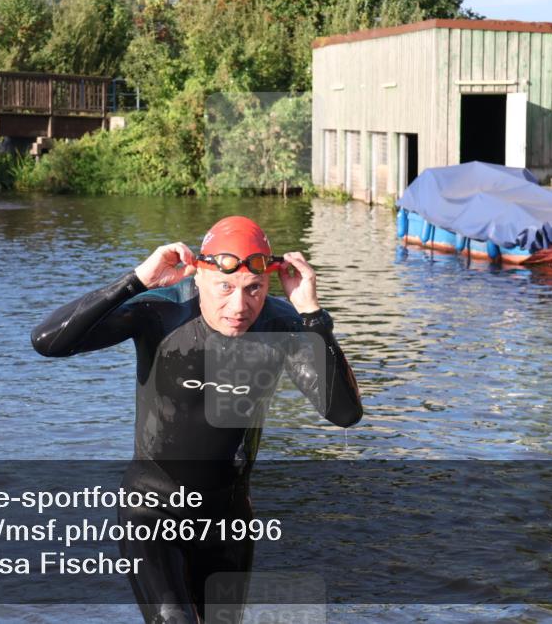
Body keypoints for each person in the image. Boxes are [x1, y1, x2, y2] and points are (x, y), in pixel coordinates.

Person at [31, 216, 362, 623]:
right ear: (199, 277)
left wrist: (312, 313)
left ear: (269, 284)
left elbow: (344, 413)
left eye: (253, 289)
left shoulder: (282, 324)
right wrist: (136, 280)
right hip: (151, 512)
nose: (239, 307)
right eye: (225, 288)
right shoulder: (160, 314)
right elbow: (47, 342)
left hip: (228, 522)